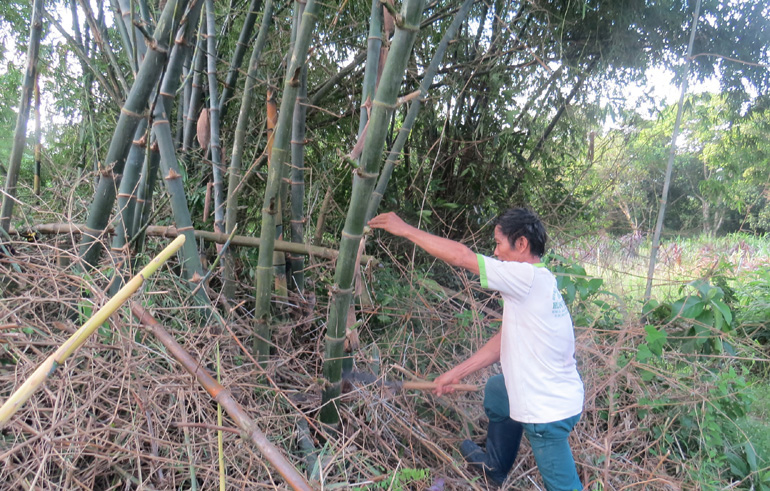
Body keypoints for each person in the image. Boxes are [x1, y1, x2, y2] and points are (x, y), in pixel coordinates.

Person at [368, 208, 583, 490]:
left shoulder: (524, 277)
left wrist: (406, 229)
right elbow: (504, 339)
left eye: (498, 243)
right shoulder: (537, 281)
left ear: (521, 244)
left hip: (547, 411)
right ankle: (495, 467)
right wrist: (456, 373)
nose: (495, 252)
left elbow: (461, 257)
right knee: (498, 389)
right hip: (558, 392)